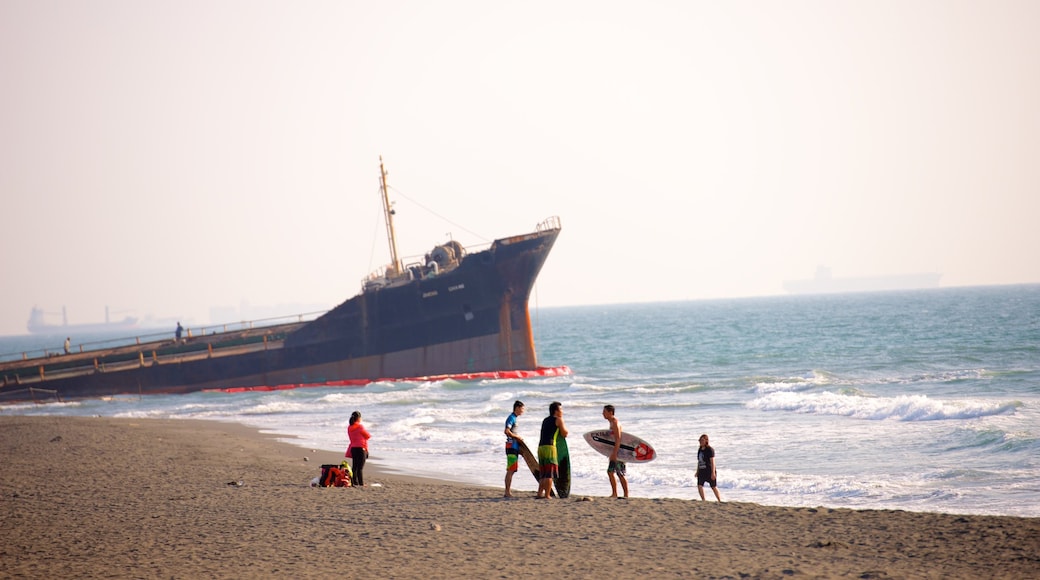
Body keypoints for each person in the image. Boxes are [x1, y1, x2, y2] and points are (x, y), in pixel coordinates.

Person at [536, 401, 568, 499]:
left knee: (543, 473)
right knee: (549, 473)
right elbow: (565, 433)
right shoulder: (558, 420)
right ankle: (547, 495)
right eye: (561, 409)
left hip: (541, 447)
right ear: (556, 411)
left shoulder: (545, 420)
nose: (562, 411)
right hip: (550, 447)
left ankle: (539, 494)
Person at [602, 404, 629, 498]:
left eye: (604, 412)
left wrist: (614, 453)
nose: (602, 414)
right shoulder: (611, 423)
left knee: (620, 473)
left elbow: (618, 439)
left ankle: (626, 494)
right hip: (614, 451)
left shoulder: (615, 423)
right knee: (610, 472)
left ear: (610, 412)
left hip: (619, 452)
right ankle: (614, 493)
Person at [503, 400, 526, 497]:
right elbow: (507, 431)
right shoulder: (511, 418)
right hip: (511, 446)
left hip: (513, 446)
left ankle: (507, 491)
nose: (523, 411)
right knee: (511, 470)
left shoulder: (514, 418)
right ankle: (507, 492)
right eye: (522, 408)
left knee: (512, 469)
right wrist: (517, 437)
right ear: (517, 408)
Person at [346, 411, 371, 486]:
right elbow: (368, 436)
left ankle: (354, 482)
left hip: (353, 448)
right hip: (361, 448)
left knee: (355, 466)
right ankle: (361, 483)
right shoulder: (360, 426)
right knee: (360, 467)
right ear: (358, 418)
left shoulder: (349, 427)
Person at [697, 433, 722, 502]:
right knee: (699, 485)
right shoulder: (700, 450)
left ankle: (719, 500)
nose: (700, 442)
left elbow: (712, 462)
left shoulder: (710, 450)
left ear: (706, 441)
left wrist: (713, 472)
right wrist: (697, 471)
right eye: (699, 440)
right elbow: (699, 461)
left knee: (713, 486)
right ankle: (703, 500)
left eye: (702, 440)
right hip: (701, 470)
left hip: (709, 470)